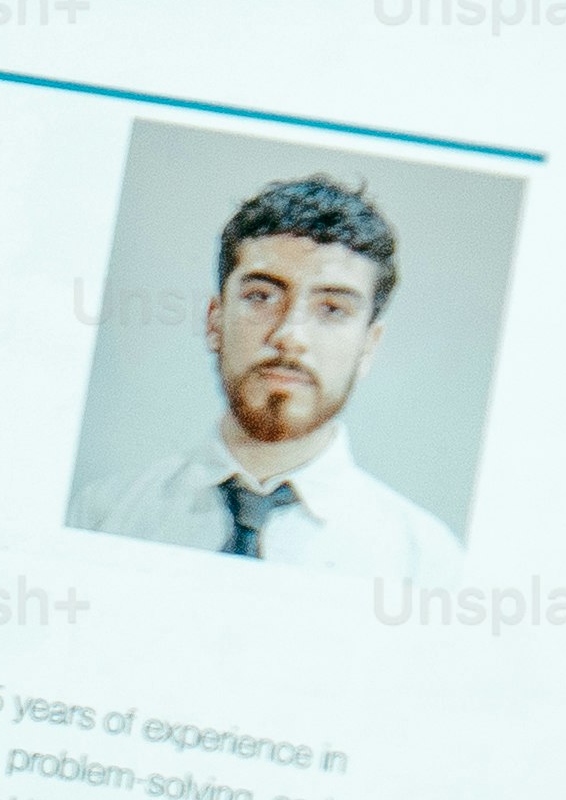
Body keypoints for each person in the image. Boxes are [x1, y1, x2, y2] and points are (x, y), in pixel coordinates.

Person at [69, 171, 470, 578]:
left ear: (368, 346)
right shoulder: (103, 517)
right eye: (261, 297)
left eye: (332, 309)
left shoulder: (423, 565)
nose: (289, 337)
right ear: (215, 321)